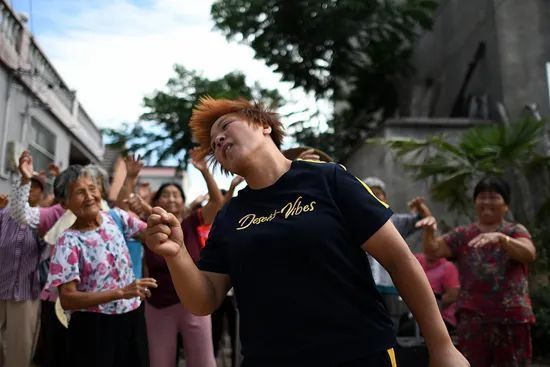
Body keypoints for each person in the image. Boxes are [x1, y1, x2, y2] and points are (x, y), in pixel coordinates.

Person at [144, 97, 469, 366]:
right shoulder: (231, 215)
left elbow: (400, 260)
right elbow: (205, 300)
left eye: (226, 126)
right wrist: (177, 253)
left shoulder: (329, 179)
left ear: (264, 124)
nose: (219, 140)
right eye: (214, 143)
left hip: (359, 353)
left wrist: (441, 346)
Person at [44, 164, 157, 367]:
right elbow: (68, 299)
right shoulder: (68, 241)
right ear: (65, 203)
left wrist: (149, 211)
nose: (89, 196)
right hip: (94, 327)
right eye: (80, 192)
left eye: (92, 188)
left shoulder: (116, 217)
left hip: (132, 318)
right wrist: (120, 292)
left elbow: (154, 236)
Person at [422, 176, 536, 367]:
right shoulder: (463, 234)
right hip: (473, 319)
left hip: (511, 319)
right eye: (482, 197)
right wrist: (428, 230)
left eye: (493, 197)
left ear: (506, 204)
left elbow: (529, 253)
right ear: (475, 202)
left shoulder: (514, 231)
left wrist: (502, 239)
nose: (487, 202)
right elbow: (433, 250)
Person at [126, 149, 221, 367]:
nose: (170, 199)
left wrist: (205, 170)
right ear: (157, 201)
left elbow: (217, 202)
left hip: (194, 302)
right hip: (158, 304)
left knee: (203, 361)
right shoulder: (148, 228)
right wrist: (130, 178)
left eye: (175, 195)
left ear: (182, 201)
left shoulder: (192, 222)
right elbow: (125, 206)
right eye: (165, 195)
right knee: (160, 362)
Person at [362, 177, 434, 329]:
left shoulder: (395, 221)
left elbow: (426, 220)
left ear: (386, 198)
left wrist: (420, 206)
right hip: (364, 287)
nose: (375, 197)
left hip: (390, 286)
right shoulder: (354, 222)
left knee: (390, 328)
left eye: (379, 194)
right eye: (370, 193)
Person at [0, 172, 47, 367]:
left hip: (25, 292)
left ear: (42, 195)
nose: (29, 190)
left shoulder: (44, 219)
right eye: (26, 184)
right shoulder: (3, 215)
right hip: (1, 287)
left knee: (20, 349)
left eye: (35, 187)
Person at [414, 252, 460, 332]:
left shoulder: (448, 267)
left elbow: (452, 296)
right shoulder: (417, 260)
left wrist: (429, 306)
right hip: (417, 314)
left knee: (406, 329)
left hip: (441, 317)